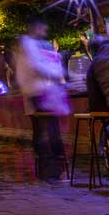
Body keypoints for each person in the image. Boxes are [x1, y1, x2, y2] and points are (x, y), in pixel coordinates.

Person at [15, 16, 69, 182]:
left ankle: (49, 170)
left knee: (44, 131)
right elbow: (37, 66)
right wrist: (59, 73)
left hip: (36, 93)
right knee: (49, 131)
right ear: (35, 28)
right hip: (39, 93)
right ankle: (52, 170)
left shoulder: (28, 46)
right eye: (43, 29)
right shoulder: (28, 45)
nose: (44, 33)